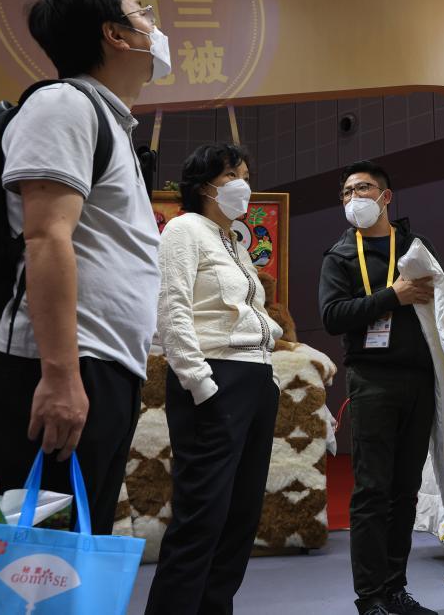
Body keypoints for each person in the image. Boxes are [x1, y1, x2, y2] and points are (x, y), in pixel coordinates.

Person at [0, 0, 166, 533]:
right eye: (142, 12)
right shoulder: (64, 105)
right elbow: (46, 236)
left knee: (72, 557)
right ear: (115, 34)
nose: (154, 26)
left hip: (99, 367)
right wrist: (60, 376)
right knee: (32, 562)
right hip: (53, 367)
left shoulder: (110, 122)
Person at [146, 144, 283, 615]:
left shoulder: (235, 243)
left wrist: (268, 379)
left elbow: (251, 312)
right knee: (201, 515)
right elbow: (172, 307)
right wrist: (199, 381)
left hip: (255, 380)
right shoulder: (184, 229)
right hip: (216, 377)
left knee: (241, 516)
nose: (243, 184)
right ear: (205, 186)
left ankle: (214, 608)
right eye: (232, 176)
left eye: (246, 174)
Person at [319, 160, 444, 615]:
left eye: (364, 189)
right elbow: (332, 316)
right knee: (372, 491)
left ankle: (396, 589)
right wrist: (392, 296)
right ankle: (370, 597)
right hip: (372, 380)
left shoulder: (415, 246)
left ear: (385, 197)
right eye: (347, 192)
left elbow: (443, 301)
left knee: (405, 490)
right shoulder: (339, 255)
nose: (354, 198)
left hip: (419, 378)